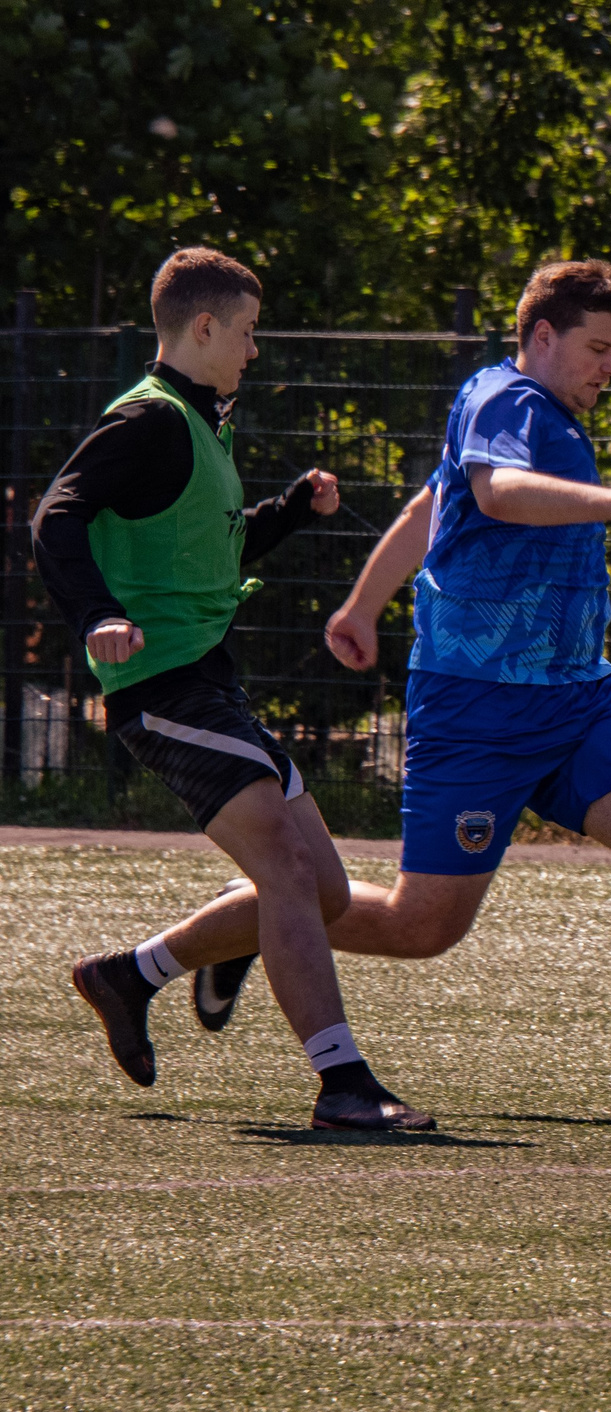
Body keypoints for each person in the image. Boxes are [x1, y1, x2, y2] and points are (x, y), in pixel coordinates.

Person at [135, 260, 611, 1122]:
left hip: (578, 700)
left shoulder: (537, 414)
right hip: (477, 707)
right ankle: (177, 954)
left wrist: (363, 603)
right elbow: (493, 494)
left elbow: (432, 506)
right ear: (541, 336)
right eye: (598, 347)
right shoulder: (506, 400)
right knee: (420, 927)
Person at [38, 248, 432, 1130]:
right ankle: (342, 1084)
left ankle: (131, 973)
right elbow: (53, 515)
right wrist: (95, 611)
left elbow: (201, 558)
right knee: (289, 872)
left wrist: (289, 511)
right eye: (248, 333)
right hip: (162, 689)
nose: (255, 351)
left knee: (323, 893)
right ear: (204, 327)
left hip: (210, 685)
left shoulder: (199, 421)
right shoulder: (147, 421)